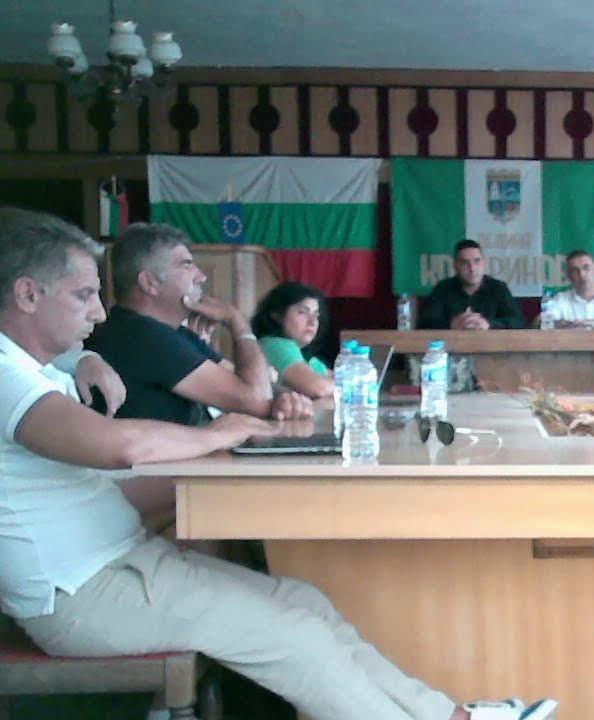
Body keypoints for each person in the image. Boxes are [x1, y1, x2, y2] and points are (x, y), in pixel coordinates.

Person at [0, 208, 558, 720]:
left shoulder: (38, 363)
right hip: (81, 596)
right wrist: (220, 433)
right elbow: (120, 447)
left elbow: (85, 375)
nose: (99, 312)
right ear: (27, 294)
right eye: (83, 296)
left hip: (123, 562)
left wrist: (86, 356)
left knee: (304, 602)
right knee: (293, 636)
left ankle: (454, 717)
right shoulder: (6, 375)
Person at [86, 223, 312, 425]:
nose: (201, 277)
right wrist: (237, 322)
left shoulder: (174, 332)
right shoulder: (140, 335)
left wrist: (287, 398)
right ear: (150, 282)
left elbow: (257, 387)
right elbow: (257, 400)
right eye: (187, 265)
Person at [251, 281, 334, 399]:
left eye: (316, 315)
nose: (312, 322)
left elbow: (341, 378)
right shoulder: (275, 345)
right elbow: (318, 388)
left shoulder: (306, 357)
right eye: (303, 312)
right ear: (277, 315)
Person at [418, 240, 524, 330]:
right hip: (452, 346)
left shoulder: (498, 288)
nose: (472, 268)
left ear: (484, 263)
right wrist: (452, 324)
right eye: (464, 263)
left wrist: (489, 324)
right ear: (455, 265)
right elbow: (424, 323)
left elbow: (518, 322)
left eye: (477, 261)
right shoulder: (443, 288)